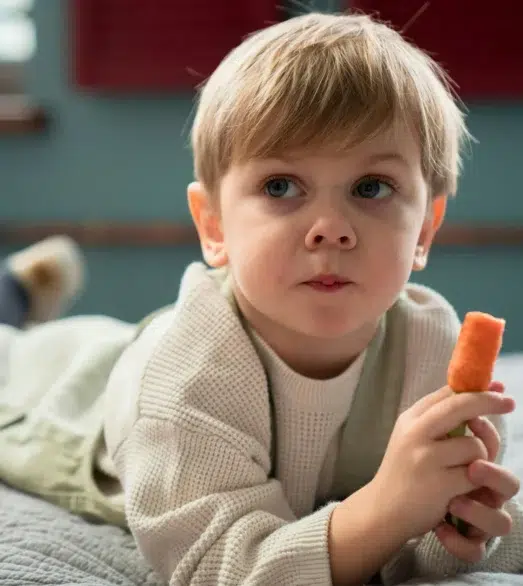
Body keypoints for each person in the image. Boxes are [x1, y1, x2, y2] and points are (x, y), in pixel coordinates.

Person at [0, 11, 521, 586]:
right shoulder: (182, 380)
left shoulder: (432, 349)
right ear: (214, 226)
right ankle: (19, 293)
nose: (331, 228)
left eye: (370, 188)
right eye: (281, 187)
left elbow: (408, 541)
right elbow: (220, 565)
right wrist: (384, 510)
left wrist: (460, 525)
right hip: (67, 397)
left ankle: (26, 289)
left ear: (425, 228)